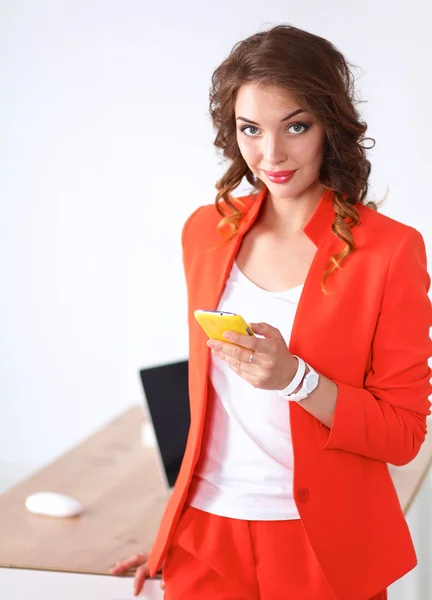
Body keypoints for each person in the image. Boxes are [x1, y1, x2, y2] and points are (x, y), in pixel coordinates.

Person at [110, 24, 432, 599]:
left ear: (330, 126)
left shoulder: (389, 251)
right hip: (206, 535)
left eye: (296, 126)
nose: (272, 155)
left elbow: (403, 435)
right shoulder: (205, 230)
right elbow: (211, 401)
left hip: (321, 546)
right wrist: (171, 536)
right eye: (251, 130)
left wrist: (295, 379)